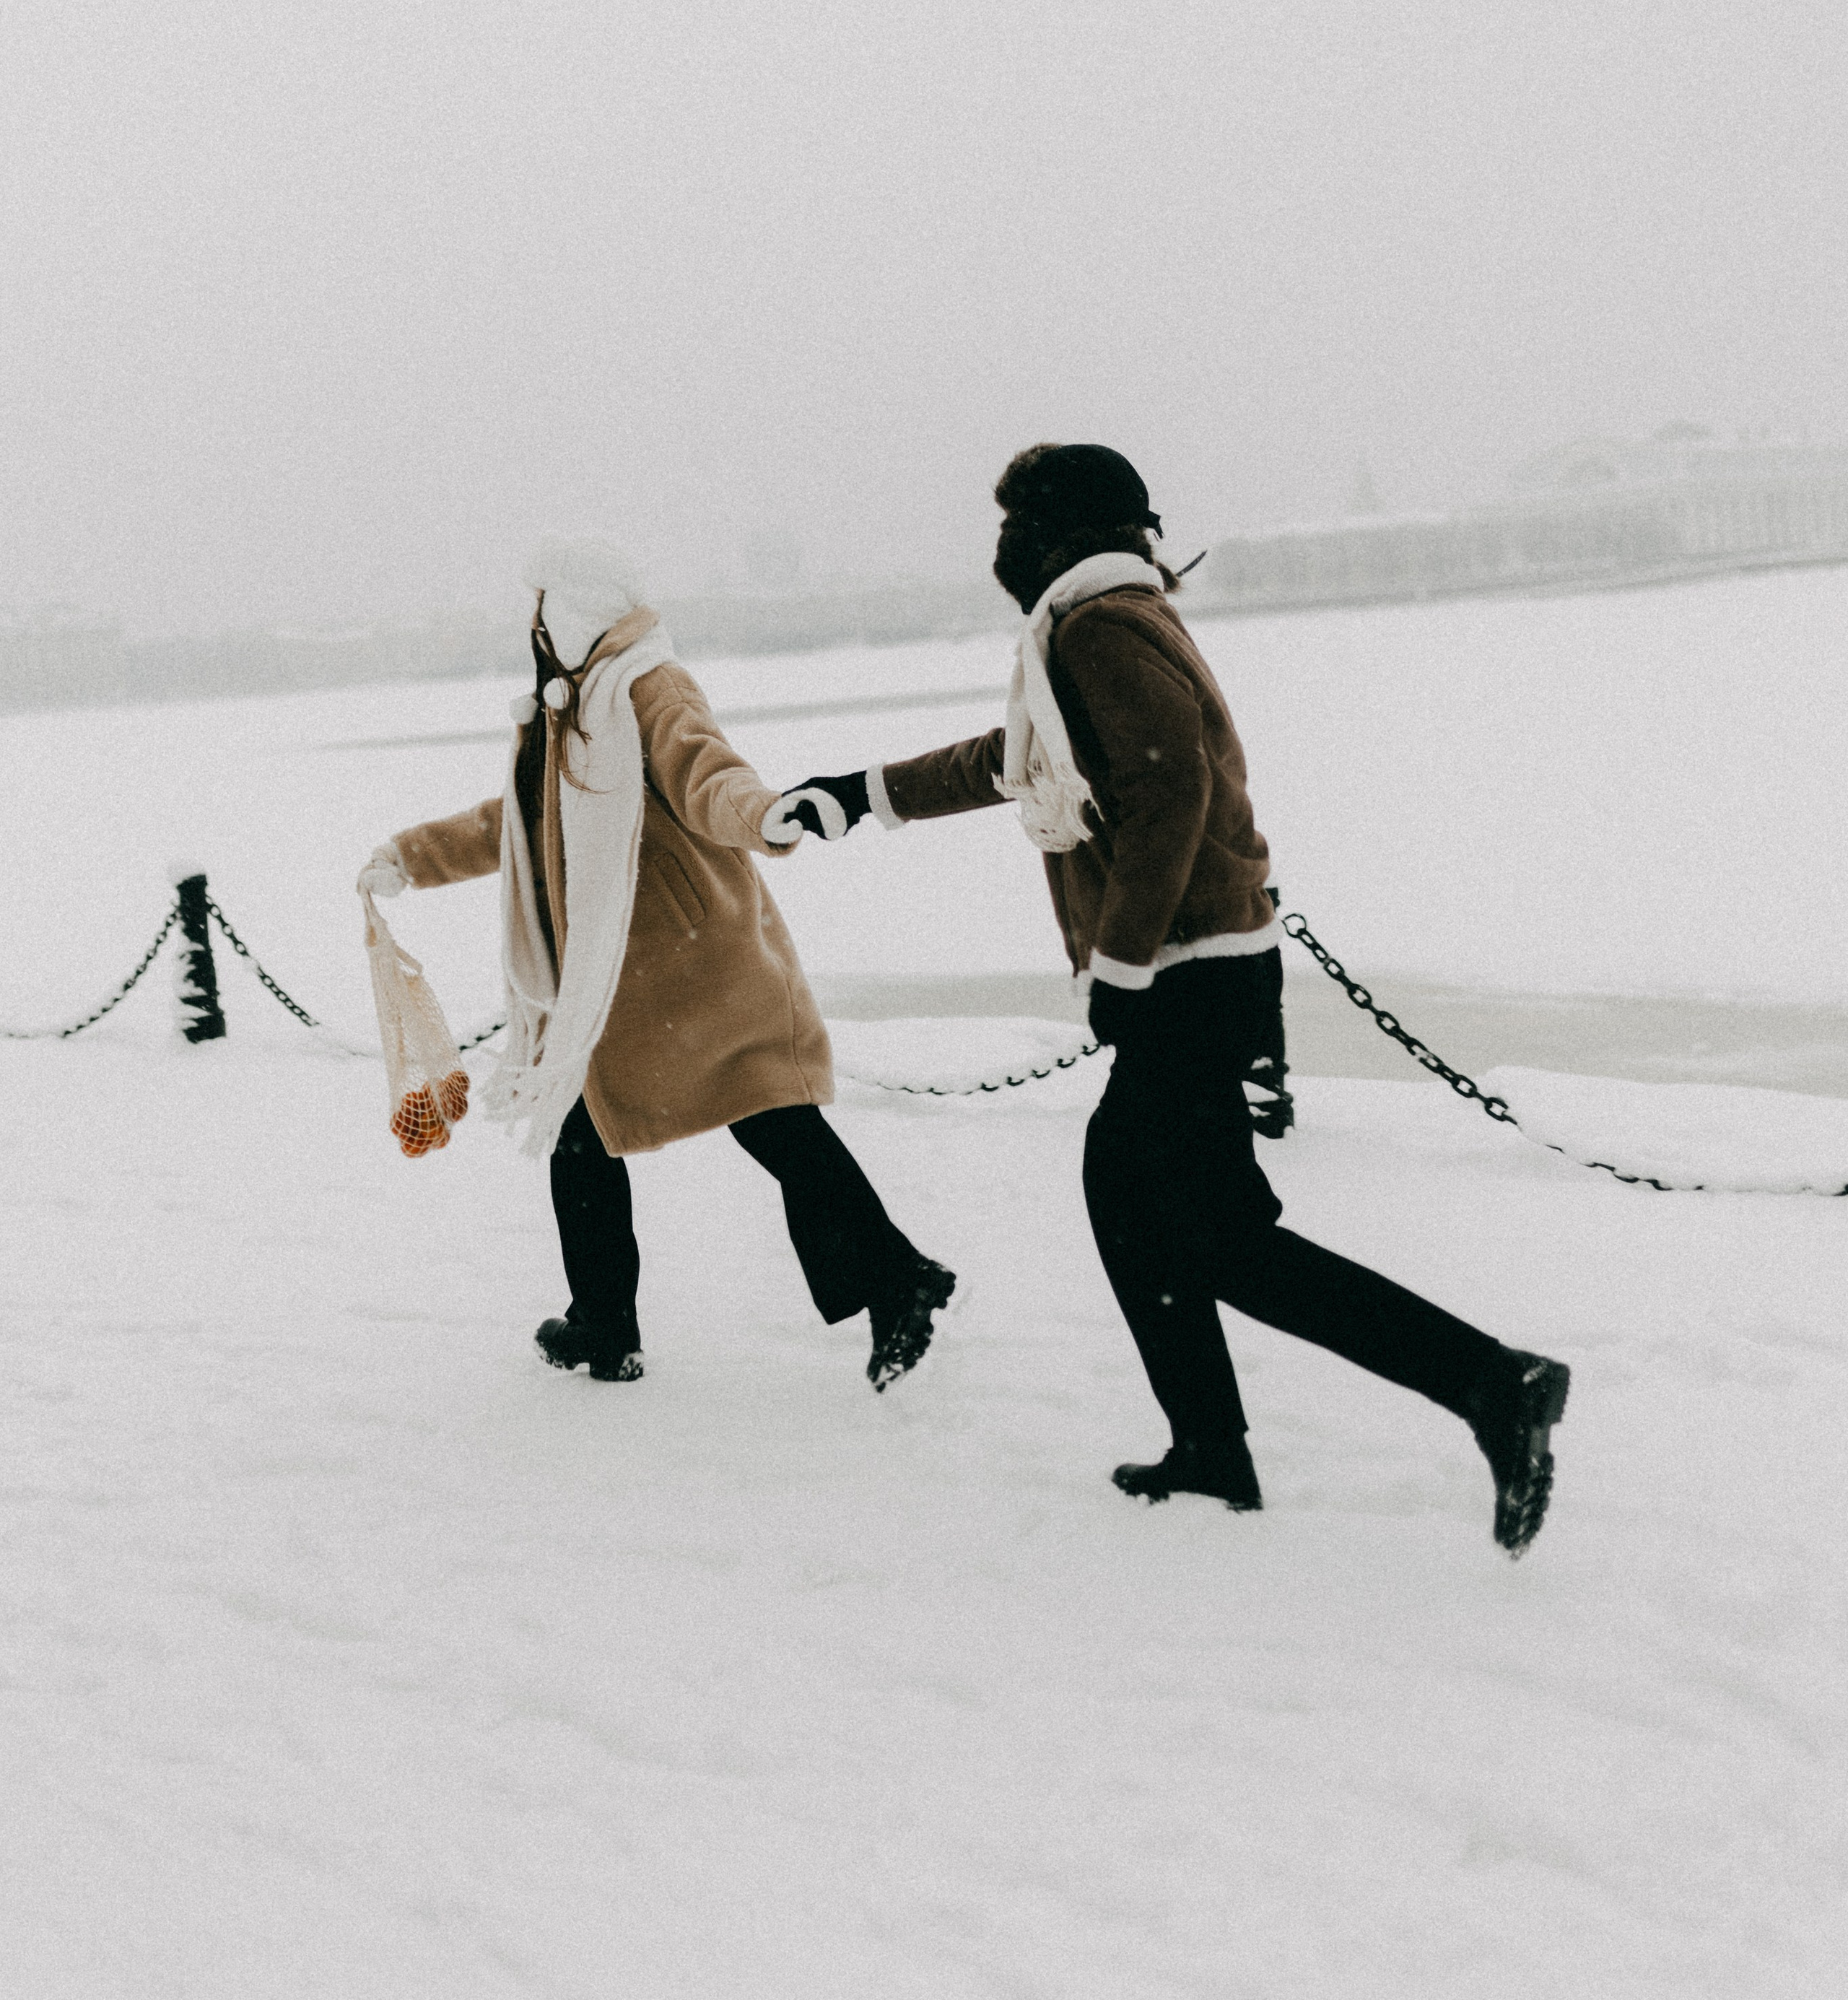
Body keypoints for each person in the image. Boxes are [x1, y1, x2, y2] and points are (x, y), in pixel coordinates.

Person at [768, 444, 1569, 1553]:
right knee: (1149, 1211)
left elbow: (1166, 786)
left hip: (1189, 974)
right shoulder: (1106, 620)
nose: (1003, 544)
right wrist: (865, 795)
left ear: (1064, 531)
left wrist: (1123, 961)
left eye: (1018, 521)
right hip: (1204, 971)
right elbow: (1028, 757)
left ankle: (1489, 1385)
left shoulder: (1097, 628)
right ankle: (1215, 1446)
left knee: (1213, 1236)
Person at [359, 540, 955, 1393]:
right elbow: (524, 818)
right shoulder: (572, 707)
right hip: (616, 978)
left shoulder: (646, 684)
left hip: (689, 964)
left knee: (767, 1121)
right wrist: (412, 856)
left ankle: (890, 1278)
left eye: (542, 607)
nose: (534, 625)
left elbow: (707, 772)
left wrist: (767, 815)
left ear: (571, 611)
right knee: (601, 1132)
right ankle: (610, 1321)